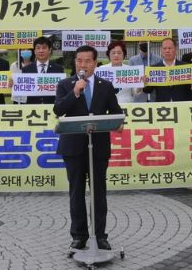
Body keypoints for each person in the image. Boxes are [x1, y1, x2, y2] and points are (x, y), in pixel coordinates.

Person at [54, 45, 123, 251]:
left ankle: (100, 235)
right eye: (78, 61)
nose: (82, 65)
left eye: (86, 61)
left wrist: (118, 124)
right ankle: (79, 236)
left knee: (98, 192)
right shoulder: (66, 84)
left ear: (94, 63)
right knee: (76, 192)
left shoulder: (106, 86)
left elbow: (116, 112)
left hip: (98, 147)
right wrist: (75, 92)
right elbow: (58, 109)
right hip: (73, 147)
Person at [143, 38, 192, 102]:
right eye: (164, 48)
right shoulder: (154, 69)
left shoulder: (186, 67)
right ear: (161, 50)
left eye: (170, 48)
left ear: (176, 50)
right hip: (162, 108)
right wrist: (145, 83)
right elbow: (147, 90)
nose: (167, 51)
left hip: (182, 106)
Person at [22, 36, 64, 105]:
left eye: (44, 48)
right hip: (32, 108)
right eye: (38, 48)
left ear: (50, 50)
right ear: (34, 51)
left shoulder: (59, 69)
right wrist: (14, 84)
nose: (41, 51)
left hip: (52, 107)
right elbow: (22, 90)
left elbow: (62, 91)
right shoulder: (26, 69)